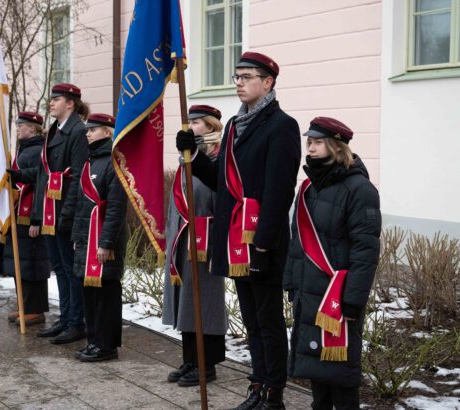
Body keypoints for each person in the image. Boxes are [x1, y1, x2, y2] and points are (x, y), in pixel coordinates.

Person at [176, 51, 301, 410]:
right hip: (234, 241)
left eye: (247, 77)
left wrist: (262, 246)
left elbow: (279, 192)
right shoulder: (233, 125)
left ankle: (273, 392)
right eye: (237, 77)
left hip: (261, 242)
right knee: (251, 320)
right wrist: (195, 157)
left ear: (268, 82)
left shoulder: (282, 126)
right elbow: (223, 183)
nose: (239, 83)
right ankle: (257, 384)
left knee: (268, 320)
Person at [283, 117, 381, 410]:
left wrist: (353, 301)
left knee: (340, 373)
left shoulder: (360, 190)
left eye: (316, 143)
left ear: (337, 148)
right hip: (308, 292)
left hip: (337, 299)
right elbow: (297, 241)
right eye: (308, 142)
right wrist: (291, 282)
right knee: (315, 367)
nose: (309, 149)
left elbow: (366, 252)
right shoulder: (309, 188)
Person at [162, 105, 228, 387]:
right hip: (183, 238)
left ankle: (207, 364)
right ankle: (191, 358)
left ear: (211, 127)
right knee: (186, 301)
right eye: (189, 121)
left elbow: (220, 199)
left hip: (206, 239)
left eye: (197, 122)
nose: (191, 126)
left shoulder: (217, 158)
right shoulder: (186, 157)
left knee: (206, 302)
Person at [30, 83, 89, 344]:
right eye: (51, 99)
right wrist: (38, 214)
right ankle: (66, 318)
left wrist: (67, 214)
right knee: (59, 268)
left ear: (70, 103)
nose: (51, 103)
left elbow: (77, 177)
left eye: (57, 99)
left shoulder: (77, 131)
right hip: (50, 211)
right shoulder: (54, 130)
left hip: (64, 211)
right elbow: (44, 177)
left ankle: (77, 322)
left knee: (70, 268)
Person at [71, 113, 128, 362]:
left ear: (107, 132)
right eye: (87, 130)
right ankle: (93, 341)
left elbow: (115, 207)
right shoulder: (89, 162)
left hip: (106, 241)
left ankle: (107, 346)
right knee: (90, 294)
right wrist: (77, 237)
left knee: (106, 294)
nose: (87, 134)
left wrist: (105, 242)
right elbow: (80, 206)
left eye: (92, 130)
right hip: (86, 238)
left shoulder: (115, 163)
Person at [4, 111, 50, 326]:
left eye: (21, 125)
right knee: (21, 263)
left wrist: (36, 220)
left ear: (33, 128)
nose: (18, 128)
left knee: (32, 263)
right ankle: (25, 305)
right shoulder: (25, 149)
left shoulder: (38, 150)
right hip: (18, 212)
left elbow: (40, 184)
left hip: (30, 213)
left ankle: (36, 309)